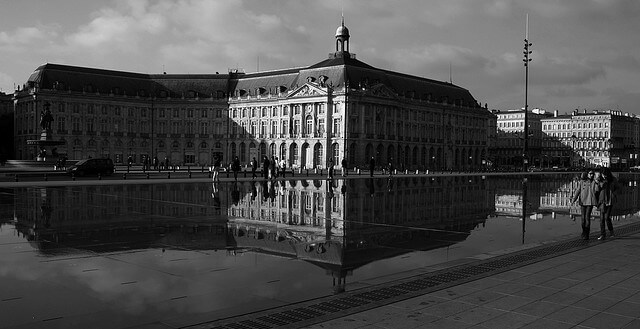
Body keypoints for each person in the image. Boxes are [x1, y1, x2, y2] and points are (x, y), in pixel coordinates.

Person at [571, 170, 598, 240]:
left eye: (592, 174)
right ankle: (584, 231)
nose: (591, 175)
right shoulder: (582, 182)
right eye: (590, 174)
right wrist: (573, 200)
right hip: (583, 201)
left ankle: (587, 234)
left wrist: (597, 183)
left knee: (587, 218)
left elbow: (597, 190)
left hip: (590, 202)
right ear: (587, 174)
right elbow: (578, 190)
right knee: (583, 219)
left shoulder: (594, 182)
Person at [595, 168, 619, 240]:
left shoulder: (613, 179)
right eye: (603, 174)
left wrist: (614, 194)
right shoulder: (599, 180)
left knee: (607, 217)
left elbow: (618, 188)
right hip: (602, 201)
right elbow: (596, 191)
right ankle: (603, 234)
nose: (604, 176)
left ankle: (611, 232)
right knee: (601, 219)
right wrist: (598, 184)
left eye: (605, 175)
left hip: (610, 201)